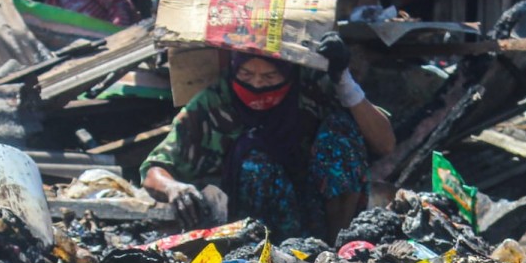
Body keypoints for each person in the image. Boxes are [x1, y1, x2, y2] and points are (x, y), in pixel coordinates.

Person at [141, 33, 395, 242]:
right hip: (254, 221)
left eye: (269, 77)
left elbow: (385, 143)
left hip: (318, 206)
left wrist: (344, 80)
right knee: (256, 164)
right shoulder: (214, 102)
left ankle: (337, 248)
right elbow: (155, 169)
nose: (258, 86)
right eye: (246, 76)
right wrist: (173, 188)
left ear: (288, 73)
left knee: (340, 134)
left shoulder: (313, 91)